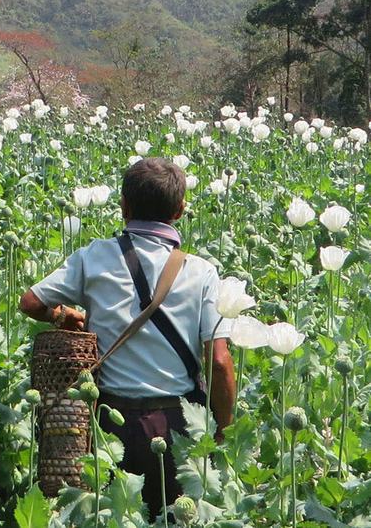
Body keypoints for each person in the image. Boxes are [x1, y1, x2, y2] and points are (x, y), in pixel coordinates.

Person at [18, 157, 236, 520]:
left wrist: (62, 315)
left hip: (108, 427)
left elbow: (30, 302)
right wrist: (223, 430)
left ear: (123, 206)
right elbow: (219, 361)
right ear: (180, 210)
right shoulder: (202, 272)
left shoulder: (93, 257)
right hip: (179, 425)